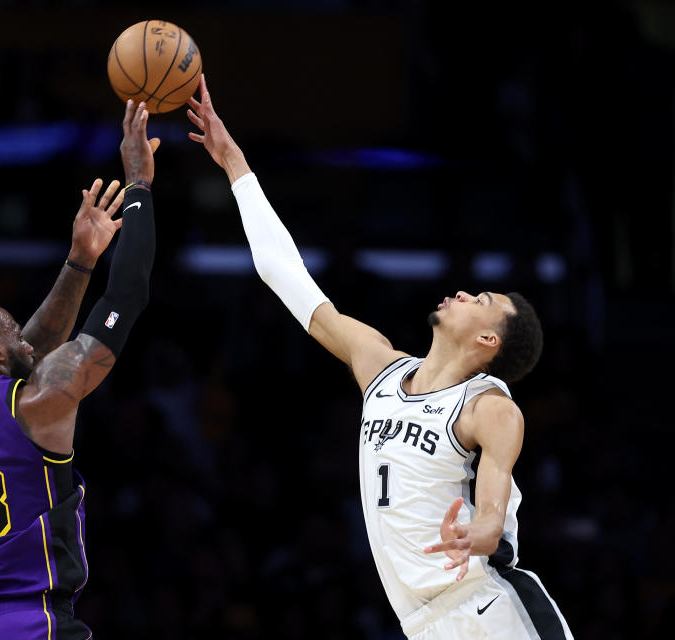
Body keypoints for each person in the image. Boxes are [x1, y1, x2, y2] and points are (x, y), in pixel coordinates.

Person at [187, 75, 573, 639]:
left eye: (481, 300)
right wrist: (236, 167)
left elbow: (492, 500)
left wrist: (484, 530)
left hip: (489, 611)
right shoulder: (381, 368)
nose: (464, 292)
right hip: (423, 622)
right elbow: (285, 277)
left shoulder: (487, 406)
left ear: (489, 342)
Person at [0, 98, 160, 640]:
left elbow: (33, 345)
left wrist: (81, 260)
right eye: (10, 330)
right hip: (33, 622)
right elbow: (129, 293)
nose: (25, 335)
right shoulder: (37, 403)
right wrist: (139, 184)